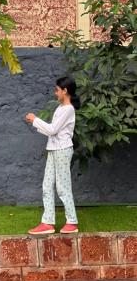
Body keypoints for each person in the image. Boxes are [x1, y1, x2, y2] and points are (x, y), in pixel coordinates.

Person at [25, 76, 80, 235]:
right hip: (54, 149)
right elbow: (51, 131)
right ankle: (48, 222)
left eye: (57, 90)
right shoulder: (60, 108)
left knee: (63, 187)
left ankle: (72, 222)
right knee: (47, 185)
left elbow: (52, 130)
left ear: (65, 91)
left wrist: (35, 120)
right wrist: (35, 123)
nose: (55, 93)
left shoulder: (68, 109)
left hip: (63, 150)